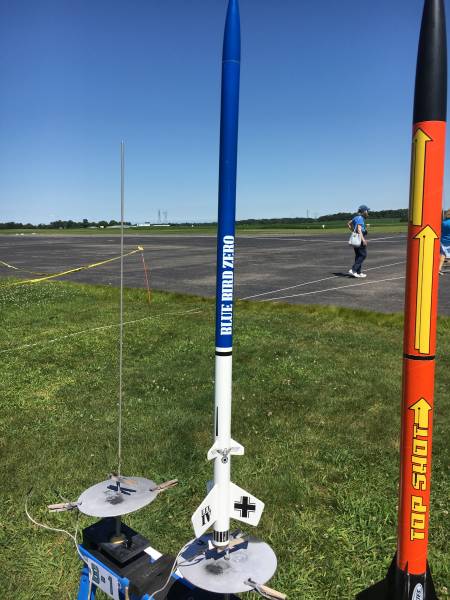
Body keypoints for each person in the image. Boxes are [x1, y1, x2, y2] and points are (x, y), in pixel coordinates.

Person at [347, 205, 369, 278]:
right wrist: (363, 240)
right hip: (359, 239)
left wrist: (353, 231)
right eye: (367, 211)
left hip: (356, 238)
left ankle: (358, 272)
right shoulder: (360, 218)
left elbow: (348, 224)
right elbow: (359, 230)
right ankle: (353, 270)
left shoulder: (356, 217)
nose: (368, 212)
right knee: (363, 255)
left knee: (358, 255)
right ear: (364, 211)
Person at [439, 209, 450, 274]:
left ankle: (439, 268)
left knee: (443, 254)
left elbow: (440, 230)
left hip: (443, 240)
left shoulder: (443, 222)